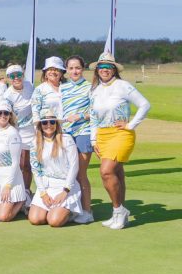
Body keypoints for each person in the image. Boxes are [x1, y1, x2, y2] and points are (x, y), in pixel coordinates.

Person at [89, 52, 150, 230]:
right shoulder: (94, 90)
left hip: (121, 134)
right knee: (117, 173)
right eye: (101, 67)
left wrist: (131, 125)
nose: (105, 70)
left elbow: (145, 105)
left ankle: (119, 210)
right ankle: (119, 214)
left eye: (108, 67)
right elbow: (93, 117)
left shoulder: (123, 86)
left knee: (106, 171)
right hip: (102, 135)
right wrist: (93, 140)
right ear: (97, 70)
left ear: (114, 69)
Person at [28, 110, 82, 228]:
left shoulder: (66, 139)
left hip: (64, 186)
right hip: (46, 187)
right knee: (35, 219)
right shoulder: (34, 143)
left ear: (56, 124)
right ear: (40, 125)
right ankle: (52, 211)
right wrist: (43, 193)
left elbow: (74, 166)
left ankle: (68, 212)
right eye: (45, 122)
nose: (49, 125)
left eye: (52, 122)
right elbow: (36, 170)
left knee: (54, 221)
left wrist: (65, 191)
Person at [62, 56, 94, 223]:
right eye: (71, 68)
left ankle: (87, 211)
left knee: (81, 173)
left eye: (78, 68)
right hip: (66, 134)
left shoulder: (90, 87)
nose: (74, 71)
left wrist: (80, 116)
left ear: (83, 69)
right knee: (69, 173)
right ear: (66, 70)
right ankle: (75, 208)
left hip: (83, 132)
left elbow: (96, 112)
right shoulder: (63, 88)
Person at [0, 106, 28, 222]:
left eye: (6, 113)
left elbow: (15, 163)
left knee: (3, 217)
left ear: (10, 115)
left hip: (11, 179)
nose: (2, 116)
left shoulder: (13, 133)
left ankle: (22, 200)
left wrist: (8, 186)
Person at [2, 63, 35, 192]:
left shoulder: (29, 86)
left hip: (34, 131)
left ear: (23, 75)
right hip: (18, 132)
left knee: (30, 165)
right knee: (21, 164)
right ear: (8, 78)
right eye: (12, 76)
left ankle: (26, 191)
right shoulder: (7, 95)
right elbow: (8, 117)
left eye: (19, 75)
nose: (16, 78)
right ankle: (18, 191)